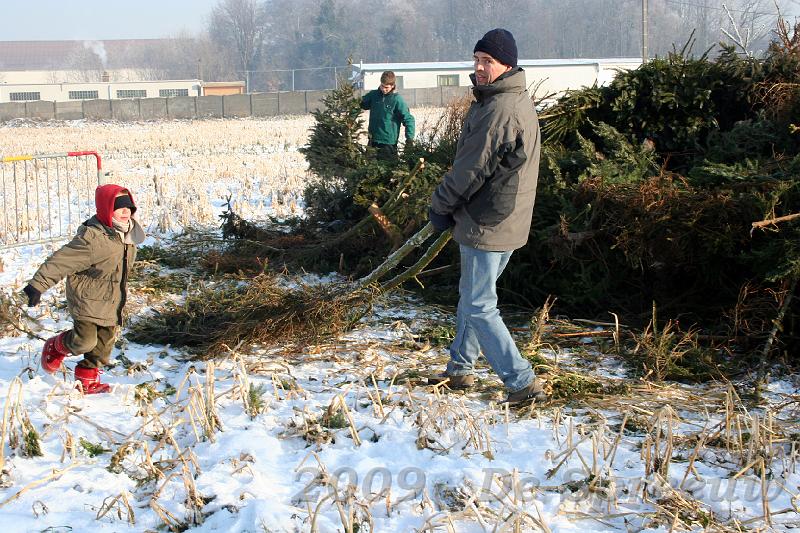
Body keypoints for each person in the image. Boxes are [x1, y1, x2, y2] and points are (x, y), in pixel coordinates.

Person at [427, 28, 547, 405]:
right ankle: (460, 369)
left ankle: (522, 382)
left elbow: (469, 170)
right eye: (477, 59)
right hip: (502, 215)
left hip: (489, 219)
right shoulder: (506, 98)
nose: (479, 68)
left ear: (506, 64)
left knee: (479, 304)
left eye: (487, 61)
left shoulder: (500, 109)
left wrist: (440, 206)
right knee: (473, 297)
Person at [22, 184, 145, 394]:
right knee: (84, 342)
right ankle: (56, 346)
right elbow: (62, 261)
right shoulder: (92, 239)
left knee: (103, 348)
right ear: (107, 208)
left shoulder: (127, 235)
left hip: (112, 300)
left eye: (129, 206)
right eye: (120, 206)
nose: (127, 211)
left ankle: (86, 382)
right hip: (86, 298)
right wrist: (37, 285)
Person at [360, 70, 415, 159]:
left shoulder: (397, 99)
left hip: (388, 143)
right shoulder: (373, 95)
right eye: (382, 86)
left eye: (387, 87)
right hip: (372, 140)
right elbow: (360, 104)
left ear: (392, 86)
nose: (383, 89)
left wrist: (409, 139)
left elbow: (409, 119)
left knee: (388, 169)